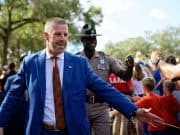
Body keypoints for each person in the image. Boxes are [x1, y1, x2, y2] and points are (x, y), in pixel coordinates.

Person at [0, 17, 164, 135]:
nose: (63, 39)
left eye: (66, 35)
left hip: (73, 130)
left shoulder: (79, 64)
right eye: (57, 34)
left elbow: (105, 89)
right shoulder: (30, 63)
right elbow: (13, 95)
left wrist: (134, 111)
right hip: (40, 130)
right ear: (46, 36)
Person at [78, 24, 134, 135]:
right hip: (81, 106)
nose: (93, 40)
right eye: (89, 38)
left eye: (95, 38)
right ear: (83, 40)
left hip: (101, 107)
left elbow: (125, 76)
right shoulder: (76, 59)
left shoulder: (106, 59)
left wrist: (130, 67)